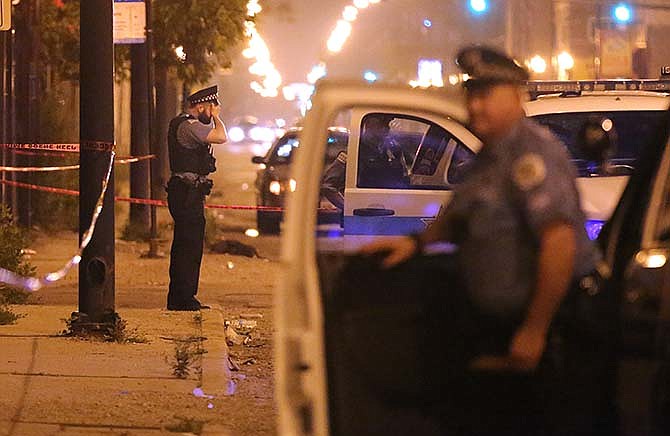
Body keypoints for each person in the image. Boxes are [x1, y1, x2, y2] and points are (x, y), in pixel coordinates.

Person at [359, 46, 603, 433]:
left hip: (538, 334)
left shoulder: (531, 156)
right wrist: (417, 244)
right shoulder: (488, 159)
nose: (475, 106)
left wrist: (535, 330)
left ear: (516, 94)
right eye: (471, 95)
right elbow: (462, 219)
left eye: (486, 95)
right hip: (495, 331)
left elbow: (559, 242)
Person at [166, 85, 227, 311]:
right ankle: (183, 298)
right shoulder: (189, 125)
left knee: (187, 244)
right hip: (186, 193)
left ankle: (182, 296)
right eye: (211, 108)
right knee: (188, 246)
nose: (212, 112)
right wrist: (217, 119)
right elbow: (221, 137)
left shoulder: (184, 124)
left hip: (187, 192)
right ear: (201, 106)